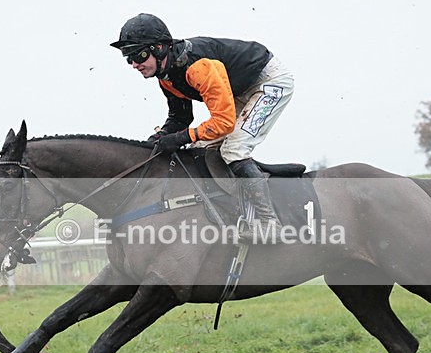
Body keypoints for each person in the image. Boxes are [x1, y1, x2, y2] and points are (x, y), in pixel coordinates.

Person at [110, 13, 294, 240]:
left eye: (139, 55)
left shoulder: (198, 67)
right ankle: (234, 210)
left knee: (234, 149)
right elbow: (180, 117)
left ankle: (269, 223)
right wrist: (159, 138)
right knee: (199, 147)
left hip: (269, 82)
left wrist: (178, 138)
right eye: (128, 58)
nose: (134, 64)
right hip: (238, 90)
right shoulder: (166, 75)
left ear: (159, 48)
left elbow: (224, 123)